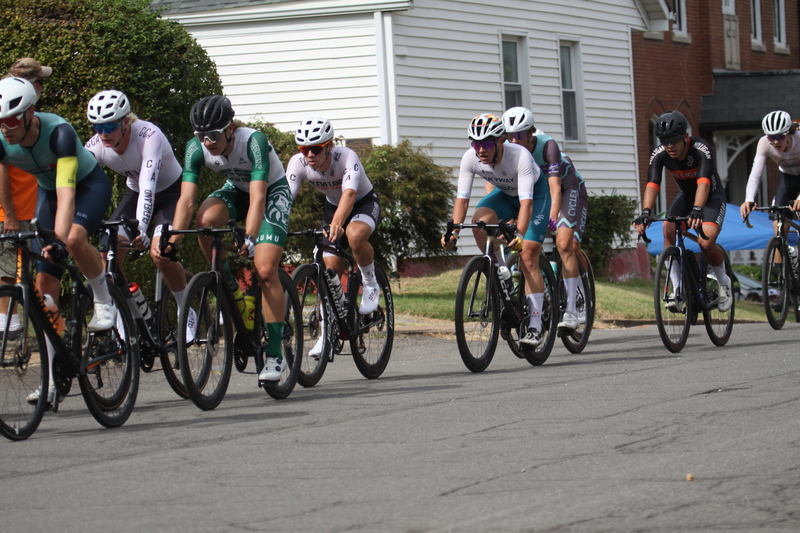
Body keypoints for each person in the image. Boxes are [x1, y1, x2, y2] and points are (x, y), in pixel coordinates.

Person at [161, 95, 292, 382]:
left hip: (270, 192)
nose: (207, 142)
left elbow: (258, 197)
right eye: (200, 135)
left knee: (265, 270)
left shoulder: (253, 141)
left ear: (230, 128)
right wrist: (173, 242)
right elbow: (186, 201)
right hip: (236, 189)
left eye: (213, 134)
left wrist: (250, 237)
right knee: (205, 222)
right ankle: (226, 280)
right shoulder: (195, 148)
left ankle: (274, 355)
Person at [85, 89, 194, 333]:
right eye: (97, 127)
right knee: (108, 252)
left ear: (126, 122)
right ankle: (127, 317)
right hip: (134, 194)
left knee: (159, 253)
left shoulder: (148, 135)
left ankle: (184, 309)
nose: (103, 134)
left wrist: (142, 229)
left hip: (169, 192)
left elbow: (148, 186)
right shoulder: (95, 145)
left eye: (109, 127)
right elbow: (79, 181)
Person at [442, 114, 550, 346]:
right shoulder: (470, 158)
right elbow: (462, 199)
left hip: (535, 195)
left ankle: (535, 324)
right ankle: (502, 271)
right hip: (505, 195)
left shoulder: (519, 155)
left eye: (487, 143)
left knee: (528, 254)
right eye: (475, 143)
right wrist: (453, 232)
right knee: (479, 224)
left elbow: (526, 203)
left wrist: (519, 234)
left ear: (500, 141)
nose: (480, 149)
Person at [286, 117, 381, 358]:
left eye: (315, 149)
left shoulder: (346, 157)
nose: (309, 155)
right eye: (303, 149)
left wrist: (337, 224)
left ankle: (370, 283)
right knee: (330, 269)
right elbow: (286, 199)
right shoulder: (298, 164)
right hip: (333, 206)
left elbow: (349, 195)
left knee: (354, 235)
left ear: (329, 146)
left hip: (362, 202)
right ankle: (328, 330)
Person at [633, 110, 732, 312]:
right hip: (686, 196)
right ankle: (677, 289)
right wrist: (645, 212)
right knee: (668, 229)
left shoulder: (700, 149)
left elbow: (704, 182)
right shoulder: (660, 154)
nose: (669, 145)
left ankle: (724, 282)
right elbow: (652, 184)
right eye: (664, 140)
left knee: (706, 243)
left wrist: (698, 209)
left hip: (711, 196)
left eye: (674, 140)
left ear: (685, 137)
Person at [502, 107, 589, 331]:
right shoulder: (507, 151)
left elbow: (555, 188)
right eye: (509, 136)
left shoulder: (547, 145)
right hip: (539, 193)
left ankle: (573, 310)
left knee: (565, 244)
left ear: (531, 133)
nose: (513, 140)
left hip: (568, 189)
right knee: (529, 245)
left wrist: (551, 219)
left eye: (519, 135)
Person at [0, 58, 51, 339]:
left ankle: (38, 329)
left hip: (35, 205)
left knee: (37, 269)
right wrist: (8, 213)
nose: (43, 86)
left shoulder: (30, 118)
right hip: (15, 209)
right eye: (40, 81)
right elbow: (2, 169)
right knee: (10, 270)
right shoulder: (7, 119)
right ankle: (10, 329)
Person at [740, 111, 800, 227]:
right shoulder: (764, 143)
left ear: (789, 134)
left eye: (780, 136)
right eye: (771, 138)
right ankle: (780, 244)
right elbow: (755, 175)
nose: (776, 142)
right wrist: (749, 199)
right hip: (787, 178)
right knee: (778, 224)